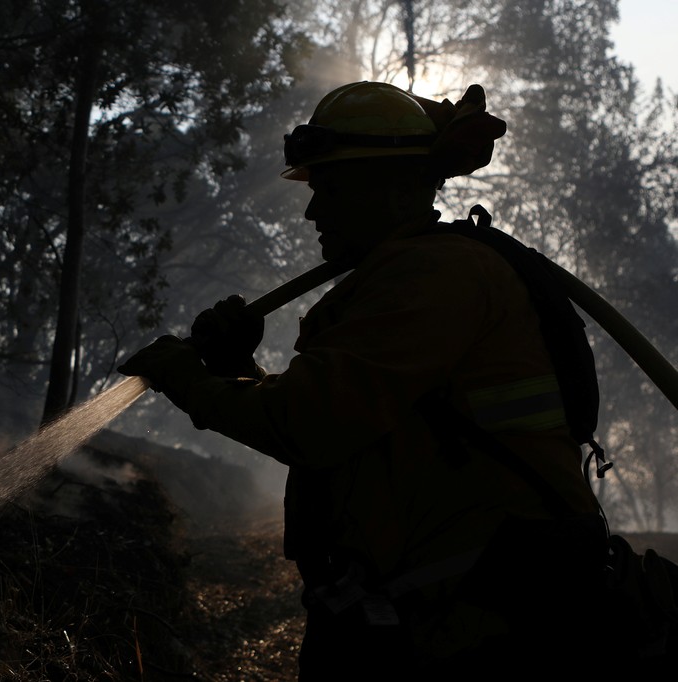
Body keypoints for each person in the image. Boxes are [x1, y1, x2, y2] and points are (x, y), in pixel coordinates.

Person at [118, 82, 610, 675]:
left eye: (329, 189)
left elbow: (309, 422)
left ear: (390, 187)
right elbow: (360, 428)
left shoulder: (433, 275)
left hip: (479, 631)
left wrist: (186, 378)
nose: (312, 210)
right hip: (427, 616)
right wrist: (236, 372)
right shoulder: (413, 274)